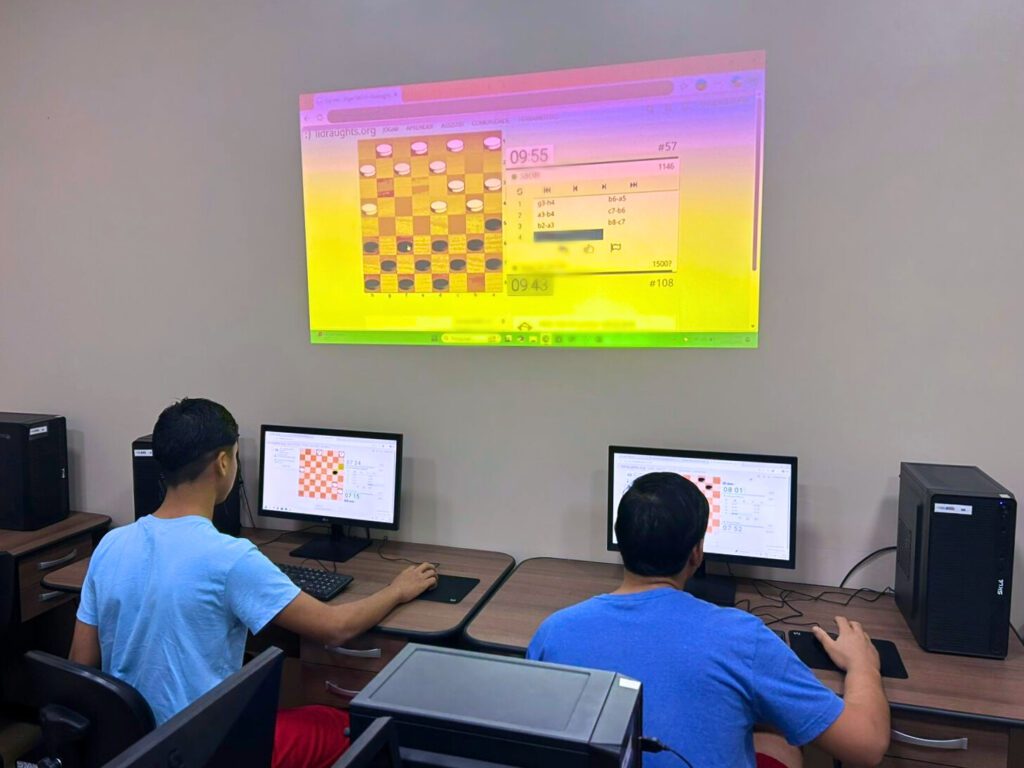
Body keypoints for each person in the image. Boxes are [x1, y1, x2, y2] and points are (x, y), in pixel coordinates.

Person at [70, 398, 437, 768]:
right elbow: (335, 627)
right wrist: (397, 590)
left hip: (132, 751)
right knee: (338, 724)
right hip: (206, 748)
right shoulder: (229, 558)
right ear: (223, 462)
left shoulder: (111, 545)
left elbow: (80, 666)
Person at [527, 472, 890, 768]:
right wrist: (863, 666)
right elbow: (867, 746)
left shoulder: (555, 631)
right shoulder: (742, 638)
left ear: (621, 543)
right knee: (781, 741)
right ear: (697, 553)